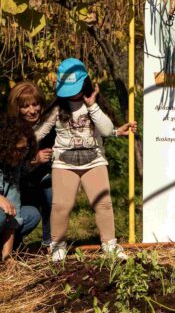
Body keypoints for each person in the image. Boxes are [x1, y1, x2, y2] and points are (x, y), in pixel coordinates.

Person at [35, 58, 137, 262]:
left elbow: (107, 130)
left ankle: (109, 244)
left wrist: (92, 106)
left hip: (94, 162)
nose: (71, 92)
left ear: (85, 82)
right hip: (64, 163)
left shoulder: (95, 105)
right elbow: (38, 133)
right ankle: (57, 245)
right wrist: (20, 142)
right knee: (61, 206)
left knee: (104, 204)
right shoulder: (57, 109)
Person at [8, 82, 55, 247]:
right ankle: (11, 243)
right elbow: (10, 170)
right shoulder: (10, 132)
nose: (32, 110)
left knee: (51, 192)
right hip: (18, 186)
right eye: (25, 106)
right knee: (30, 214)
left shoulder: (50, 127)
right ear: (17, 108)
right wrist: (34, 161)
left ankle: (50, 241)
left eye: (35, 104)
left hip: (45, 178)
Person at [0, 115, 41, 260]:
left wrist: (8, 256)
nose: (22, 155)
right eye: (18, 150)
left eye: (25, 150)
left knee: (30, 214)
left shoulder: (14, 166)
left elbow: (13, 210)